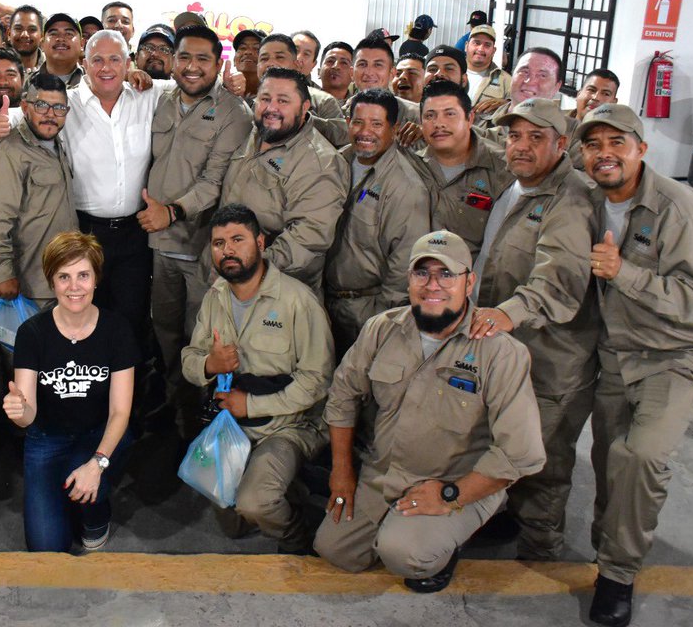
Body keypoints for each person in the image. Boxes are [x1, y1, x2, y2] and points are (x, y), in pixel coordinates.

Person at [313, 231, 545, 592]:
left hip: (456, 480)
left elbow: (521, 454)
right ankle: (405, 527)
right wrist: (342, 471)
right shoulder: (382, 329)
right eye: (422, 273)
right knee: (335, 550)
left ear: (469, 283)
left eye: (446, 274)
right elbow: (343, 396)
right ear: (409, 279)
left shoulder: (501, 353)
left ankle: (453, 535)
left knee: (406, 556)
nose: (432, 285)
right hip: (384, 472)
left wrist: (452, 495)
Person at [577, 104, 693, 627]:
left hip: (684, 353)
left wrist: (624, 274)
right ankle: (608, 549)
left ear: (641, 149)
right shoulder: (589, 200)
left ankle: (618, 575)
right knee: (607, 459)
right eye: (594, 145)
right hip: (621, 351)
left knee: (641, 456)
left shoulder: (679, 206)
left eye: (616, 144)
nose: (605, 154)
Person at [466, 98, 597, 561]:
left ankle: (541, 551)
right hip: (510, 346)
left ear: (562, 145)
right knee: (505, 440)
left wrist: (508, 312)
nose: (521, 146)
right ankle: (504, 516)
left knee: (544, 457)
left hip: (552, 357)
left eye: (535, 138)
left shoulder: (571, 199)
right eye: (515, 136)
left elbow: (558, 281)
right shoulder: (516, 186)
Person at [182, 204, 335, 554]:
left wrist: (250, 405)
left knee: (254, 503)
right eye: (219, 243)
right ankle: (290, 491)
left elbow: (317, 382)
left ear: (261, 243)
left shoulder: (298, 301)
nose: (228, 250)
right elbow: (189, 360)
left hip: (288, 425)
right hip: (232, 426)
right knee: (231, 522)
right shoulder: (215, 298)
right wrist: (210, 363)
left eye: (238, 239)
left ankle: (298, 536)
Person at [140, 25, 253, 435]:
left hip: (201, 249)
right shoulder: (158, 98)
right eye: (184, 57)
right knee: (166, 334)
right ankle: (176, 411)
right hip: (159, 245)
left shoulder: (233, 113)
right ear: (172, 59)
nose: (191, 67)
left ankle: (202, 422)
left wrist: (172, 212)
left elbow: (215, 181)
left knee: (201, 341)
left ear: (218, 63)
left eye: (203, 59)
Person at [2, 231, 136, 553]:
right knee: (46, 550)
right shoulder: (32, 333)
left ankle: (96, 512)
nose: (74, 287)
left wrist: (97, 465)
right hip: (46, 438)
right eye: (64, 276)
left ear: (95, 279)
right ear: (51, 281)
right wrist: (20, 412)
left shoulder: (117, 330)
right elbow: (28, 414)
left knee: (86, 479)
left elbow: (120, 412)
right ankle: (74, 496)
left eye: (83, 276)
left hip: (99, 434)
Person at [63, 29, 158, 348]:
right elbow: (23, 117)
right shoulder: (65, 103)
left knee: (131, 319)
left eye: (115, 59)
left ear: (128, 62)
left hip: (135, 235)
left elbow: (192, 88)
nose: (106, 67)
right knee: (83, 318)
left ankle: (127, 395)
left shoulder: (148, 95)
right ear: (84, 63)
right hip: (85, 233)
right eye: (98, 60)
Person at [323, 89, 431, 355]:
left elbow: (402, 269)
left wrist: (382, 327)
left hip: (366, 313)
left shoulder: (406, 187)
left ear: (393, 129)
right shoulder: (335, 162)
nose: (365, 132)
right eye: (358, 122)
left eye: (376, 124)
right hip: (323, 300)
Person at [218, 67, 344, 293]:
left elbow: (307, 239)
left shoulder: (319, 163)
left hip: (271, 289)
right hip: (224, 275)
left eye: (283, 101)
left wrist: (249, 267)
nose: (271, 108)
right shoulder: (252, 132)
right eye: (265, 98)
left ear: (305, 108)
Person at [0, 73, 77, 310]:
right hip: (30, 283)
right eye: (42, 105)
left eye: (59, 108)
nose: (50, 115)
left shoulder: (57, 143)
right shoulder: (8, 153)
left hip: (63, 276)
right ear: (25, 107)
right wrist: (3, 274)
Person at [408, 80, 514, 254]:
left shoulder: (501, 170)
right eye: (430, 116)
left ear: (470, 118)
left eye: (449, 114)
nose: (439, 123)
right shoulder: (409, 162)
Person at [30, 12, 84, 89]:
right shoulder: (25, 83)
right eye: (53, 33)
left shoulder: (94, 82)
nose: (60, 38)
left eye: (69, 34)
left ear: (81, 44)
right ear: (42, 43)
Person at [464, 26, 511, 111]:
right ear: (466, 46)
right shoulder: (450, 74)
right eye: (476, 43)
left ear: (493, 51)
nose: (481, 49)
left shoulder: (507, 82)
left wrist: (507, 105)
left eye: (487, 45)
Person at [231, 28, 265, 100]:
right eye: (243, 48)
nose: (248, 52)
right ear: (234, 60)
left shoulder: (274, 97)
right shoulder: (221, 91)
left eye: (256, 48)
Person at [8, 5, 45, 71]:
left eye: (32, 29)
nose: (24, 35)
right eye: (18, 29)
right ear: (9, 33)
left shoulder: (54, 67)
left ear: (42, 36)